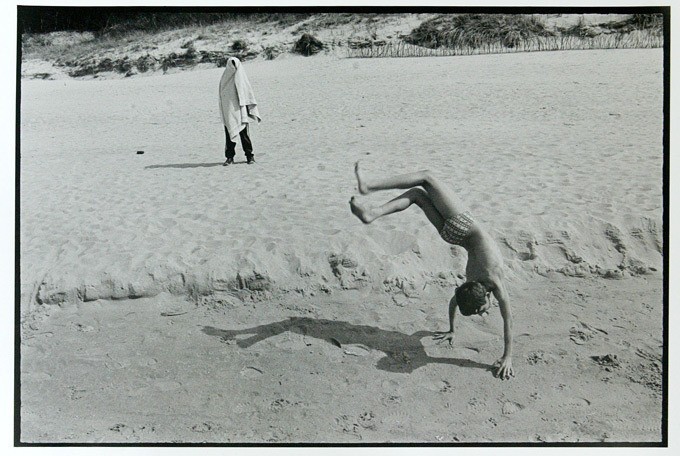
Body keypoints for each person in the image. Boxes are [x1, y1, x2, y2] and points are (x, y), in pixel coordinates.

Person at [349, 162, 514, 380]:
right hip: (452, 235)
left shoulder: (482, 284)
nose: (486, 312)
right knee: (419, 191)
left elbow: (460, 304)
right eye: (484, 309)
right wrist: (507, 357)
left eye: (481, 310)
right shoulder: (484, 281)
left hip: (462, 227)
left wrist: (452, 329)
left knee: (425, 179)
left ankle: (371, 197)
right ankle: (371, 204)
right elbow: (506, 319)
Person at [218, 57, 261, 165]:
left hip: (241, 111)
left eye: (235, 64)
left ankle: (250, 156)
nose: (233, 67)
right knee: (229, 135)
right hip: (229, 111)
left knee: (244, 135)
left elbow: (247, 92)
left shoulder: (242, 78)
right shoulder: (225, 79)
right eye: (231, 64)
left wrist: (248, 107)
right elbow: (223, 96)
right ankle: (229, 157)